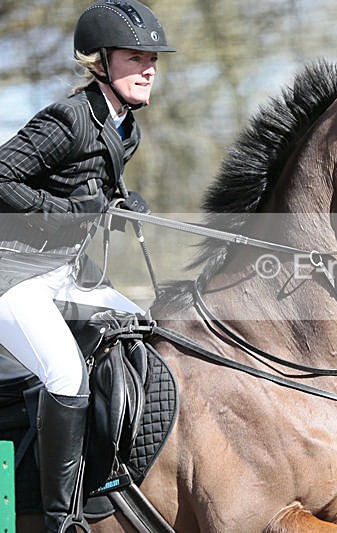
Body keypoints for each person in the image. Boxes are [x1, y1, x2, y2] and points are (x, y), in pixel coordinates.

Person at [0, 1, 175, 530]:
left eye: (152, 59)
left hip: (63, 277)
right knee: (67, 374)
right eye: (135, 58)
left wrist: (118, 208)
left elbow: (85, 194)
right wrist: (64, 211)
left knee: (149, 333)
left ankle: (113, 475)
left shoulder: (126, 129)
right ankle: (62, 518)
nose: (148, 69)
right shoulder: (70, 120)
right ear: (99, 62)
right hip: (15, 278)